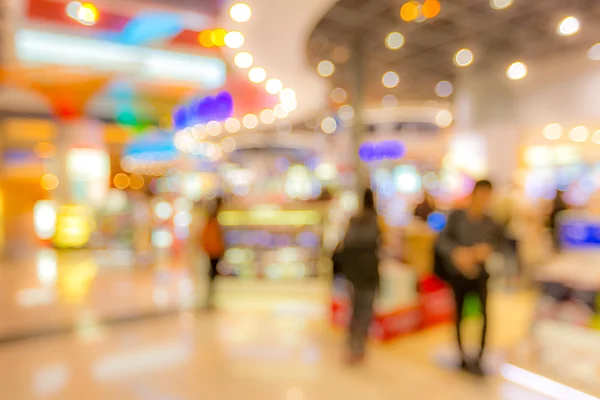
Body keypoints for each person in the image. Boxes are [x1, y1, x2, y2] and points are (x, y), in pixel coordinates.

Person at [434, 180, 502, 376]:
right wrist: (457, 253)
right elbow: (442, 241)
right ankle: (461, 354)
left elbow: (497, 246)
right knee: (459, 314)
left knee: (484, 316)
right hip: (459, 274)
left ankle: (479, 356)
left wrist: (485, 252)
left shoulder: (490, 223)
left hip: (480, 275)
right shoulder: (457, 217)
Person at [336, 189, 380, 364]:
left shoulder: (355, 220)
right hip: (368, 271)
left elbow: (345, 242)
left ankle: (353, 344)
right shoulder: (376, 221)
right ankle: (359, 345)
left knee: (355, 309)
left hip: (353, 272)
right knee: (365, 309)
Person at [201, 197, 225, 309]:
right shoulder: (212, 223)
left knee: (212, 272)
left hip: (214, 251)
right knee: (211, 272)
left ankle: (211, 292)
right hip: (213, 251)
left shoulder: (212, 222)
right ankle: (210, 292)